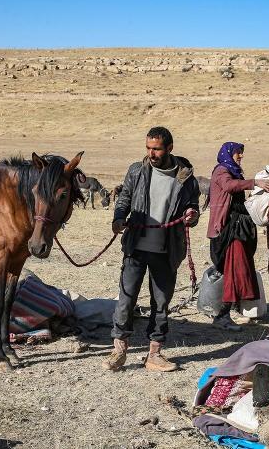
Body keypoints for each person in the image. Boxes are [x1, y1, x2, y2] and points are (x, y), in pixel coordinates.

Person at [102, 127, 200, 372]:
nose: (151, 153)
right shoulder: (137, 171)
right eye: (148, 148)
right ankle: (119, 351)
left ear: (169, 148)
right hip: (136, 245)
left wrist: (192, 214)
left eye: (156, 148)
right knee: (126, 298)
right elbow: (124, 198)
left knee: (161, 302)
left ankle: (154, 354)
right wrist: (118, 218)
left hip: (167, 249)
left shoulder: (185, 177)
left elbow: (193, 205)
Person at [207, 142, 269, 331]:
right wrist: (255, 183)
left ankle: (236, 308)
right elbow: (228, 186)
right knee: (235, 270)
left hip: (237, 228)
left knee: (240, 268)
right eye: (238, 153)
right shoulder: (221, 171)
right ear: (228, 154)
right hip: (228, 230)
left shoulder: (233, 171)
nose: (241, 156)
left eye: (242, 153)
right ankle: (222, 315)